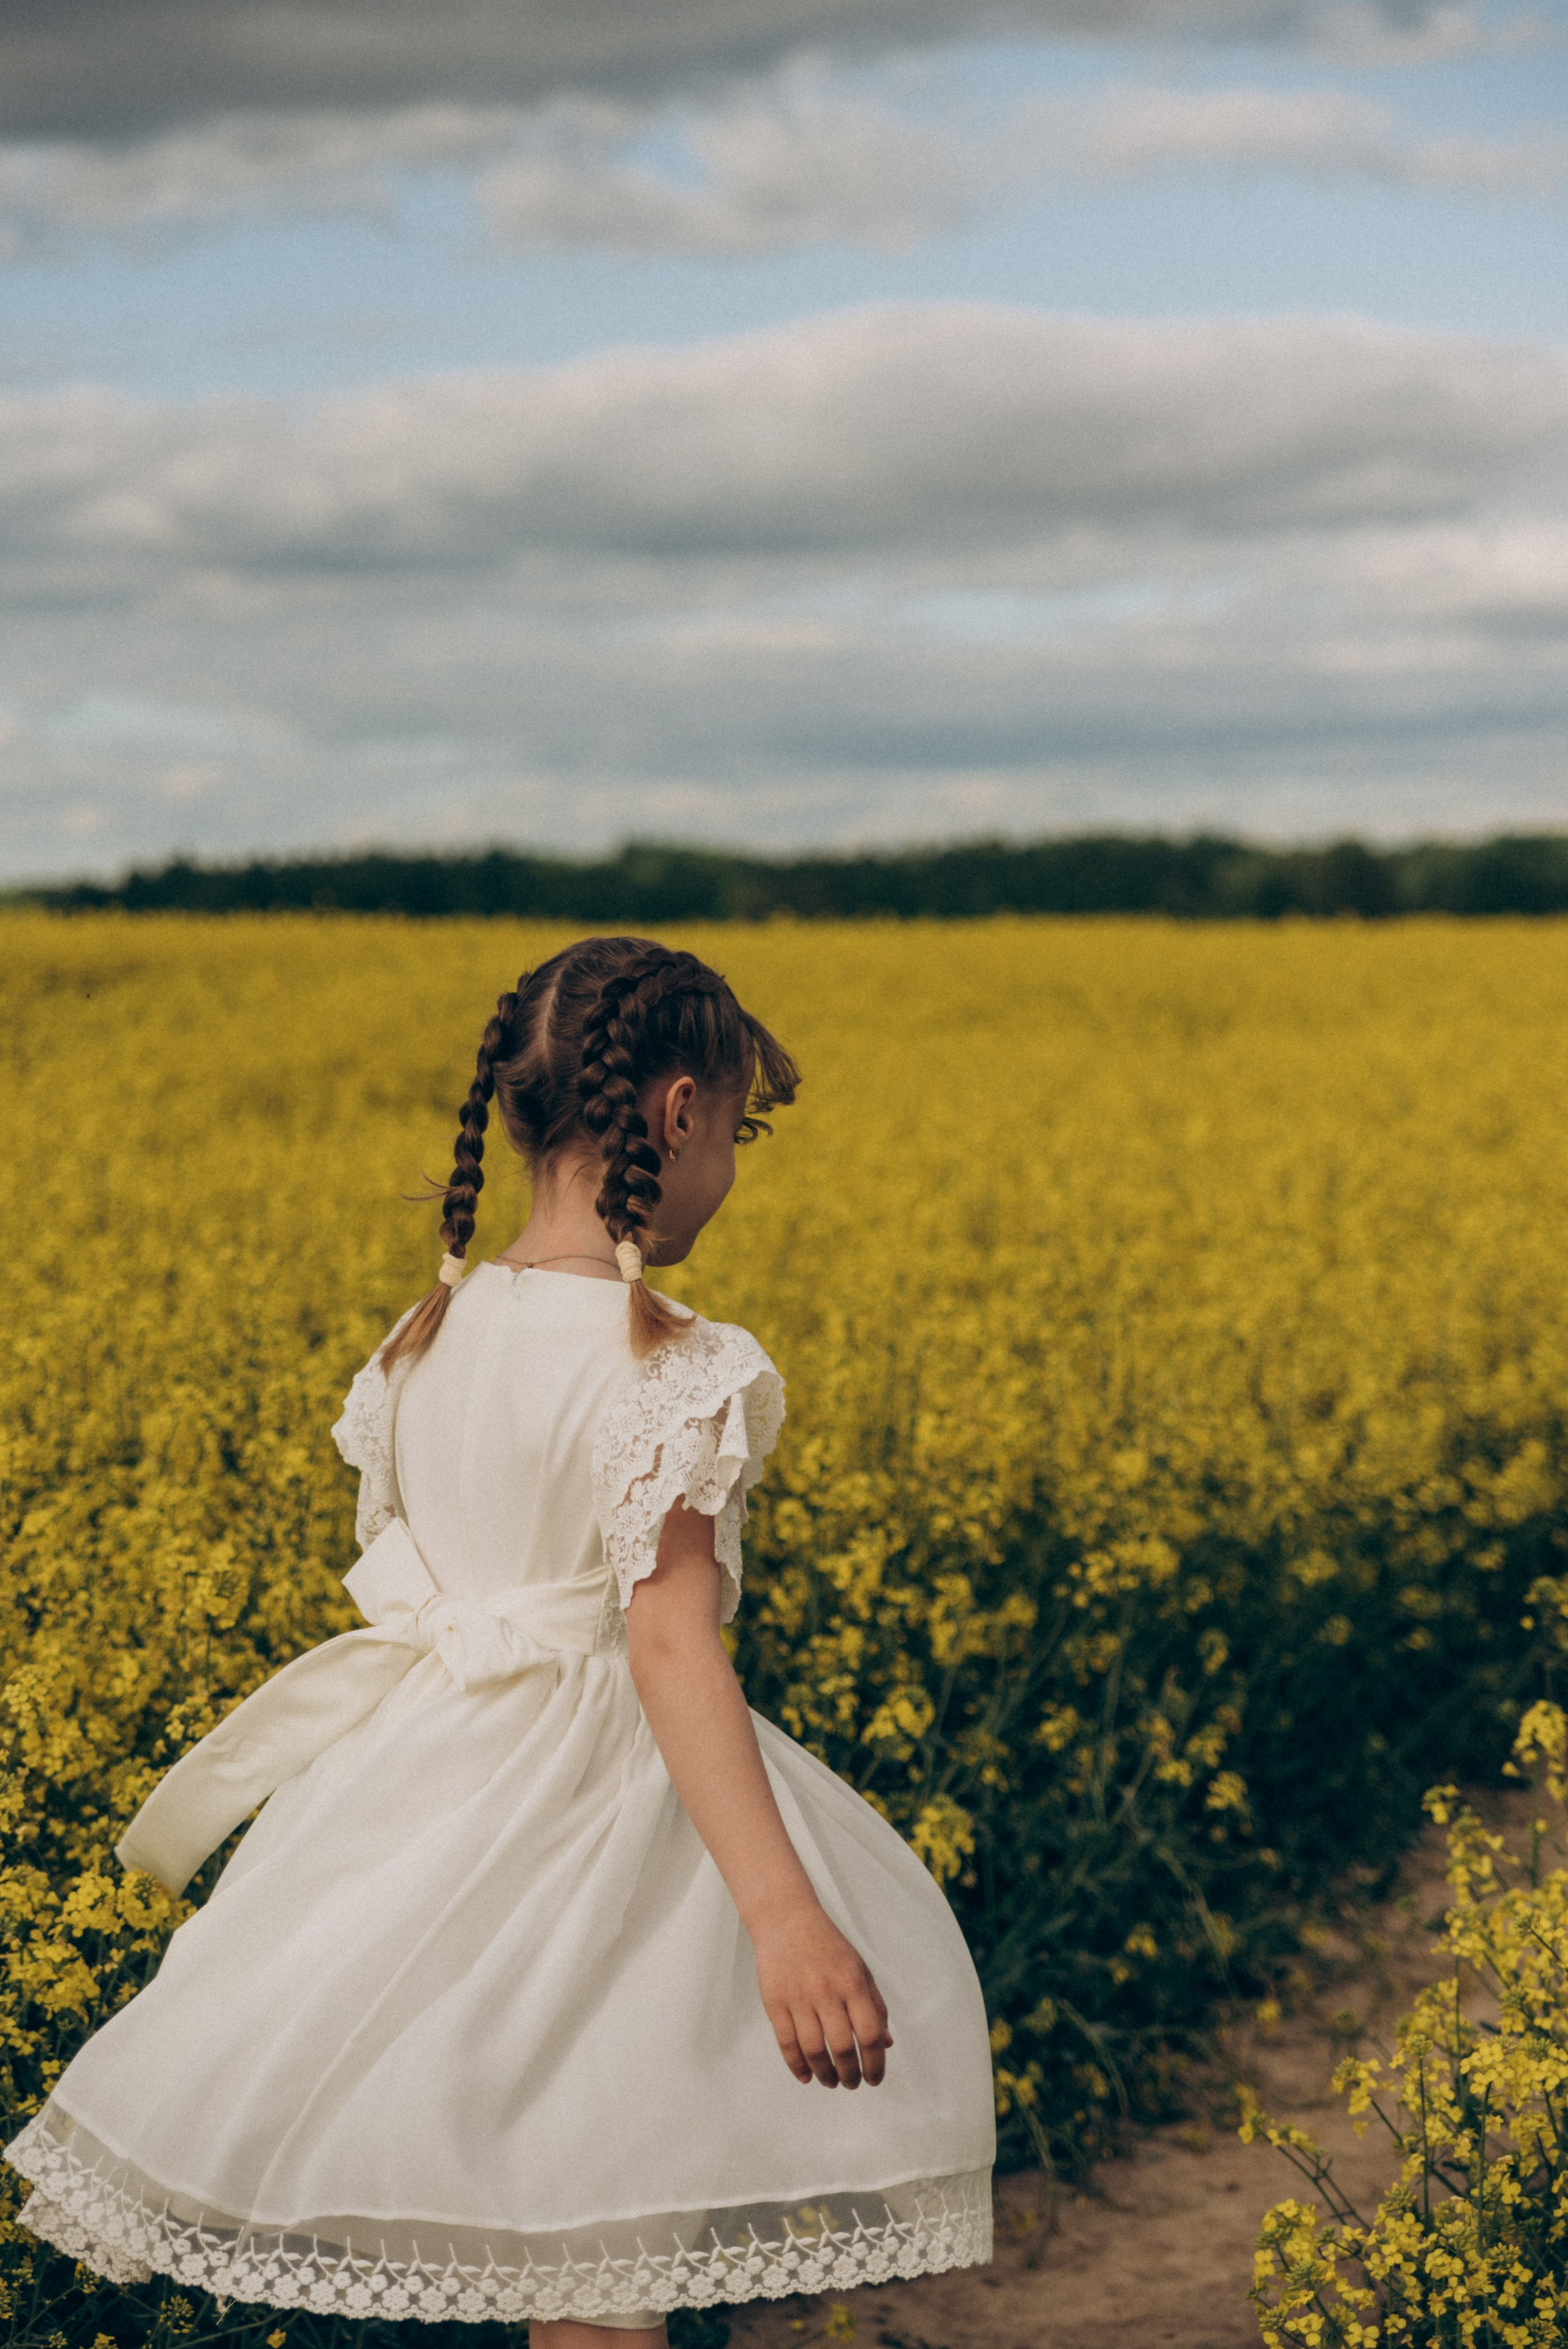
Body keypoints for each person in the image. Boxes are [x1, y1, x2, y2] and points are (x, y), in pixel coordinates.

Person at [5, 936, 995, 2342]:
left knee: (561, 2239)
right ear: (677, 1115)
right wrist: (782, 1917)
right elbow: (665, 1648)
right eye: (741, 1128)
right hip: (610, 1827)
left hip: (425, 1789)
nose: (733, 1163)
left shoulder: (425, 1333)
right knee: (599, 2252)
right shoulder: (675, 1359)